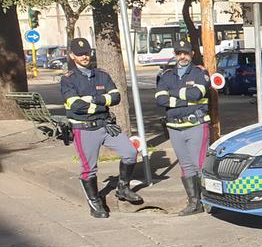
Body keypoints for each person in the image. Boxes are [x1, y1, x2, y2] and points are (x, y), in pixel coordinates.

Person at [59, 37, 144, 218]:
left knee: (130, 153)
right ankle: (95, 201)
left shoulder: (102, 75)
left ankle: (123, 188)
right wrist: (101, 102)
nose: (84, 56)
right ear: (72, 55)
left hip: (106, 125)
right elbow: (75, 106)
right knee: (89, 168)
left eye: (87, 53)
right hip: (84, 129)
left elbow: (116, 97)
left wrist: (93, 100)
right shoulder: (68, 80)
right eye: (80, 54)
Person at [155, 40, 211, 216]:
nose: (183, 56)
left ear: (192, 54)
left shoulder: (199, 72)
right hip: (174, 127)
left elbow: (197, 93)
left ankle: (209, 200)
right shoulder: (167, 75)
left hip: (196, 125)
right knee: (186, 165)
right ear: (175, 54)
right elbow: (159, 98)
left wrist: (173, 93)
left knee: (199, 164)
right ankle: (194, 203)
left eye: (186, 53)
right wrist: (185, 97)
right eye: (179, 53)